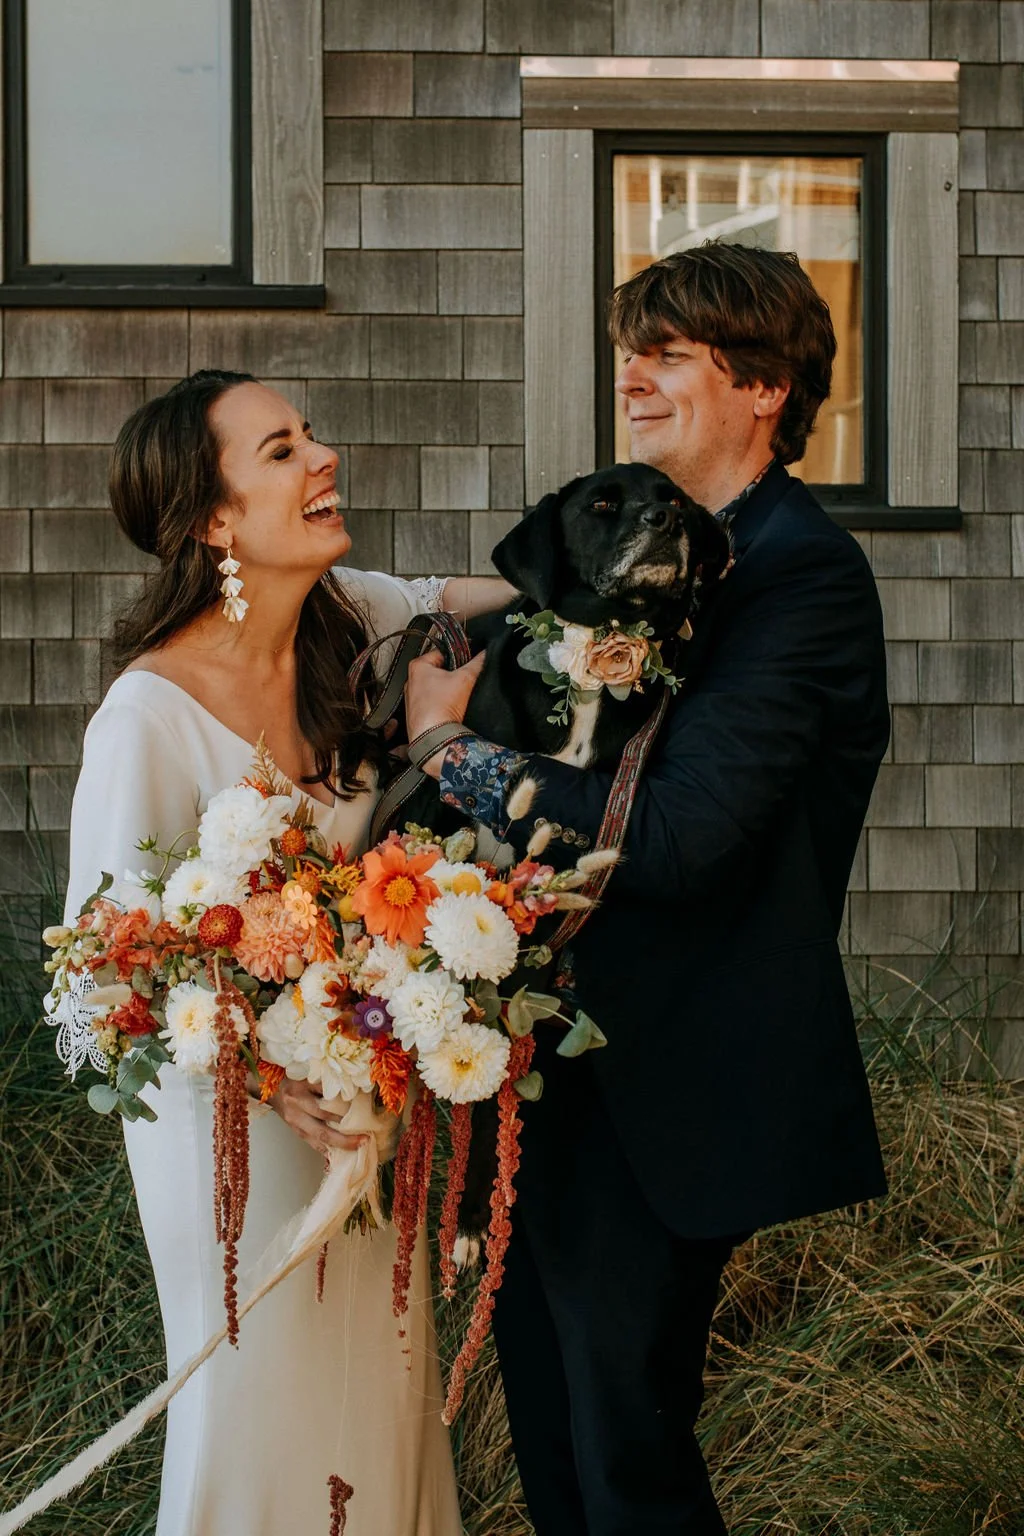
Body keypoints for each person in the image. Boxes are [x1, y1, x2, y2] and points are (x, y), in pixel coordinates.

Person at [404, 242, 890, 1534]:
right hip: (552, 1068)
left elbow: (675, 839)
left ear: (766, 385)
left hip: (681, 1072)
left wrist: (449, 752)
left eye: (667, 352)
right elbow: (508, 623)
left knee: (625, 1439)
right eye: (631, 350)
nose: (633, 376)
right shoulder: (645, 543)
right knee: (556, 1417)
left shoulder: (800, 574)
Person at [62, 369, 514, 1536]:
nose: (321, 457)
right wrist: (270, 1071)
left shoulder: (348, 618)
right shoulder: (145, 719)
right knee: (262, 1404)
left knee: (384, 1398)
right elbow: (96, 980)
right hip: (234, 1134)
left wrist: (589, 573)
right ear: (213, 520)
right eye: (281, 449)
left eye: (309, 435)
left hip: (364, 1098)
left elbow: (456, 598)